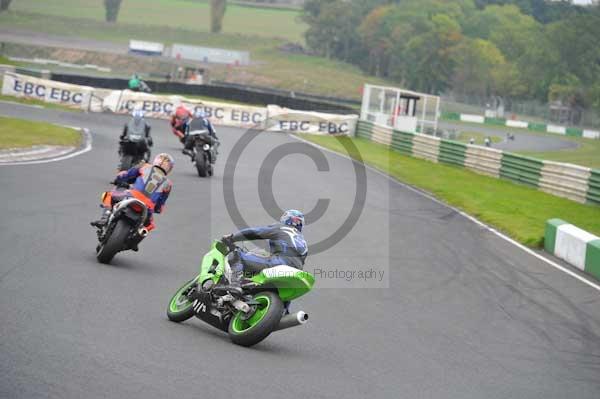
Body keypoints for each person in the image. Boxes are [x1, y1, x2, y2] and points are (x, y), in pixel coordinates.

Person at [219, 210, 307, 308]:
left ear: (286, 219)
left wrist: (232, 238)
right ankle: (284, 310)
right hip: (295, 272)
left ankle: (235, 285)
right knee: (284, 291)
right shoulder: (303, 242)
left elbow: (255, 233)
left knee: (237, 255)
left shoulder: (282, 228)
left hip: (278, 263)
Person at [91, 153, 174, 242]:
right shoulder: (168, 184)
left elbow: (127, 175)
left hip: (131, 196)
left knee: (109, 194)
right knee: (150, 225)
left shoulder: (144, 166)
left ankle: (104, 218)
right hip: (148, 208)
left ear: (156, 160)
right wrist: (157, 209)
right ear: (169, 168)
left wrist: (118, 179)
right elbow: (160, 205)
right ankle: (135, 240)